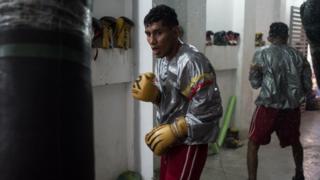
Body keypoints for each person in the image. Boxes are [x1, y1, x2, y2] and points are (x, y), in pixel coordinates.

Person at [131, 4, 223, 180]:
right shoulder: (163, 58)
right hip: (171, 140)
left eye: (158, 32)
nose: (152, 40)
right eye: (148, 34)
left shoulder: (192, 62)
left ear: (176, 32)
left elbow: (210, 110)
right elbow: (176, 102)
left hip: (189, 143)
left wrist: (176, 129)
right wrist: (156, 96)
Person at [247, 22, 312, 180]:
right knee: (295, 141)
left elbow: (255, 83)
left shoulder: (260, 53)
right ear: (286, 36)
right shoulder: (299, 56)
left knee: (253, 143)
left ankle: (252, 179)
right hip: (291, 108)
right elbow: (308, 85)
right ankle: (299, 174)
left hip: (268, 106)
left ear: (270, 36)